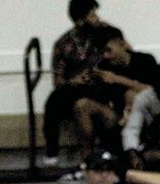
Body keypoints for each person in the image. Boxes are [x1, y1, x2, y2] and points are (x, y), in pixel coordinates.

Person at [42, 0, 115, 166]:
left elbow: (123, 51)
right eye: (92, 15)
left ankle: (109, 148)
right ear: (81, 20)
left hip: (101, 85)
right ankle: (51, 151)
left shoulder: (104, 34)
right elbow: (58, 80)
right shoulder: (63, 43)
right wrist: (72, 81)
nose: (96, 18)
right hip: (74, 89)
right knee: (54, 101)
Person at [93, 27, 159, 125]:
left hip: (147, 112)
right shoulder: (105, 66)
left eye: (108, 50)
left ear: (122, 45)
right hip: (117, 113)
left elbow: (154, 90)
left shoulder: (144, 60)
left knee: (132, 95)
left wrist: (117, 79)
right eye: (102, 52)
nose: (105, 56)